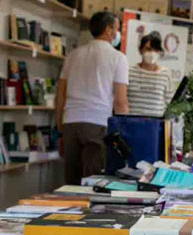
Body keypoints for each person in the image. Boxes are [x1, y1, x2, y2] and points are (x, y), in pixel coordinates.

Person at [55, 11, 128, 184]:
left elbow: (61, 94)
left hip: (70, 123)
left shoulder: (73, 55)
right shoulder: (118, 58)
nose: (118, 34)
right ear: (109, 30)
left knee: (71, 182)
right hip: (97, 124)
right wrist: (125, 133)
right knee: (92, 183)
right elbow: (120, 102)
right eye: (117, 29)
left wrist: (59, 126)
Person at [126, 32, 172, 117]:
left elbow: (169, 104)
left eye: (156, 50)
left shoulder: (166, 74)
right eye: (148, 49)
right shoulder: (128, 71)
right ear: (140, 50)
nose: (152, 53)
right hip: (132, 125)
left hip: (155, 126)